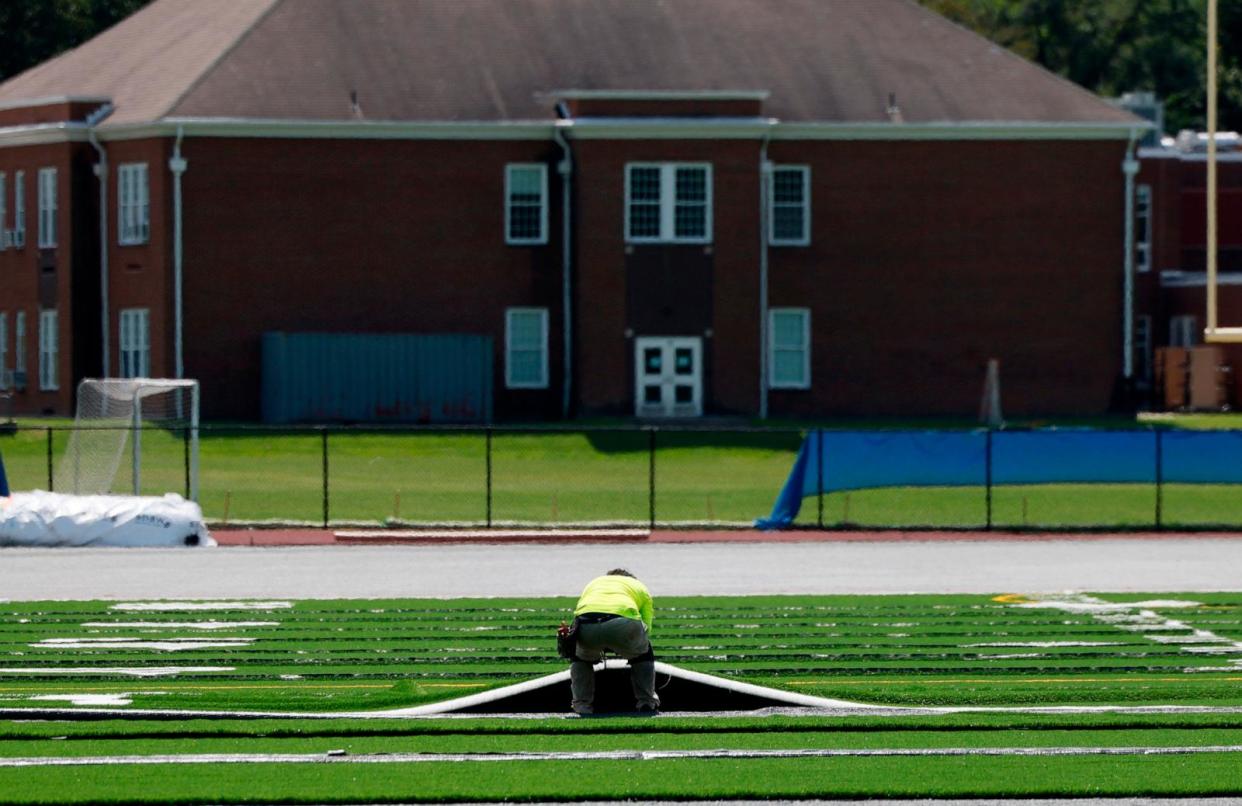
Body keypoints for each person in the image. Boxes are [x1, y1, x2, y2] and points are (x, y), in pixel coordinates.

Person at [568, 568, 659, 715]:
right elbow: (646, 628)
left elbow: (582, 608)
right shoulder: (639, 587)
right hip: (623, 624)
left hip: (586, 624)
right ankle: (647, 702)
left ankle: (581, 705)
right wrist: (627, 646)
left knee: (580, 658)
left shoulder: (594, 582)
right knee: (643, 653)